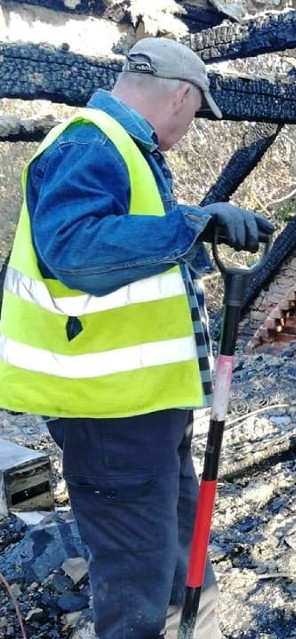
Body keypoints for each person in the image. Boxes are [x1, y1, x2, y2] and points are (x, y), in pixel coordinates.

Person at [0, 37, 274, 638]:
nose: (192, 124)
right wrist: (194, 222)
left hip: (146, 398)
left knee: (169, 530)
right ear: (182, 95)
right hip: (106, 403)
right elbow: (76, 250)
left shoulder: (126, 149)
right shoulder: (90, 142)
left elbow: (132, 254)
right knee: (134, 562)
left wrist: (194, 230)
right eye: (198, 111)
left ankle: (181, 621)